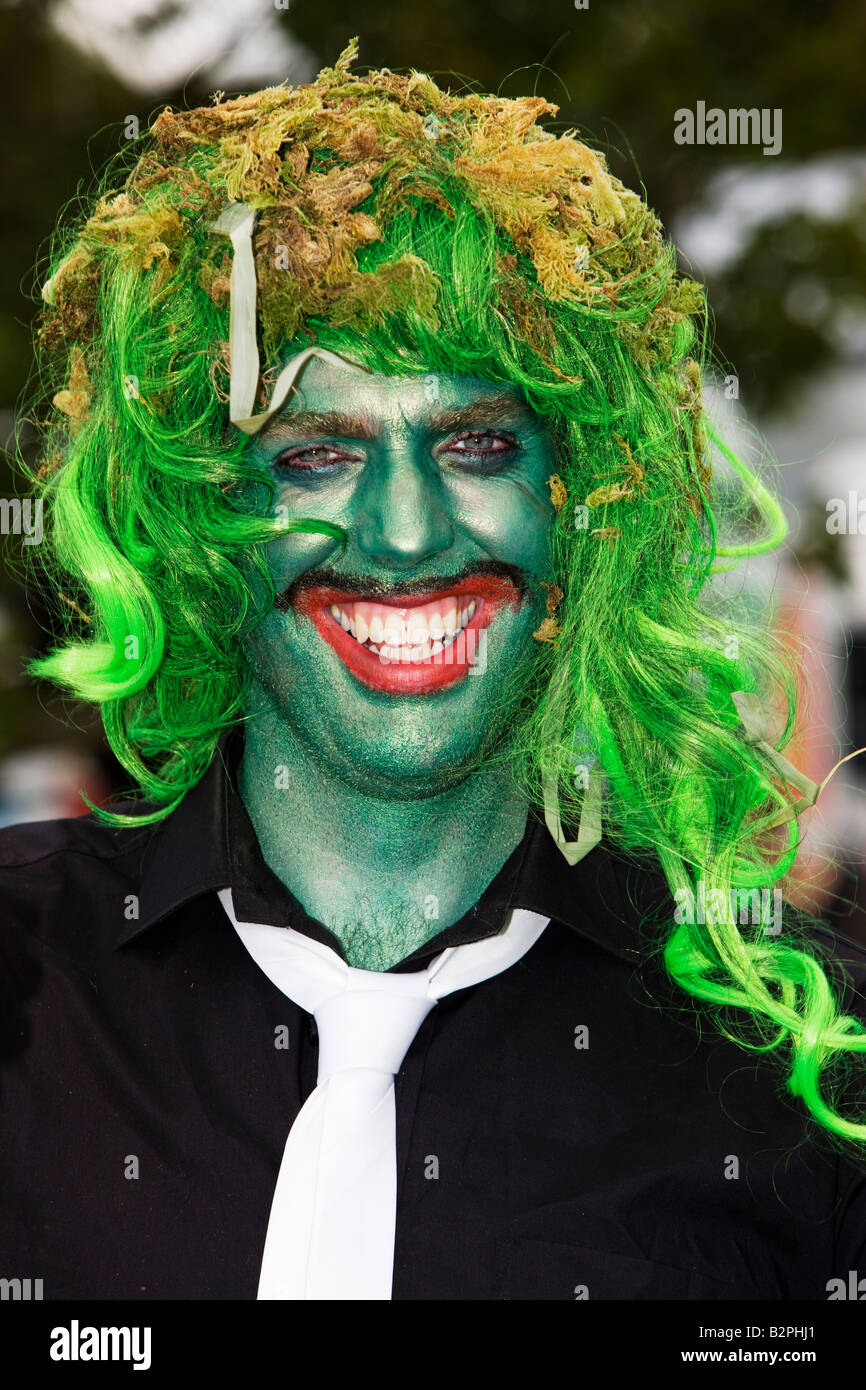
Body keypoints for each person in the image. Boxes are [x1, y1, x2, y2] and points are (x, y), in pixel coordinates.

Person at [1, 40, 864, 1301]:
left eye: (473, 443)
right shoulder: (22, 985)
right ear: (196, 521)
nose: (405, 535)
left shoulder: (802, 1073)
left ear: (580, 511)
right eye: (315, 454)